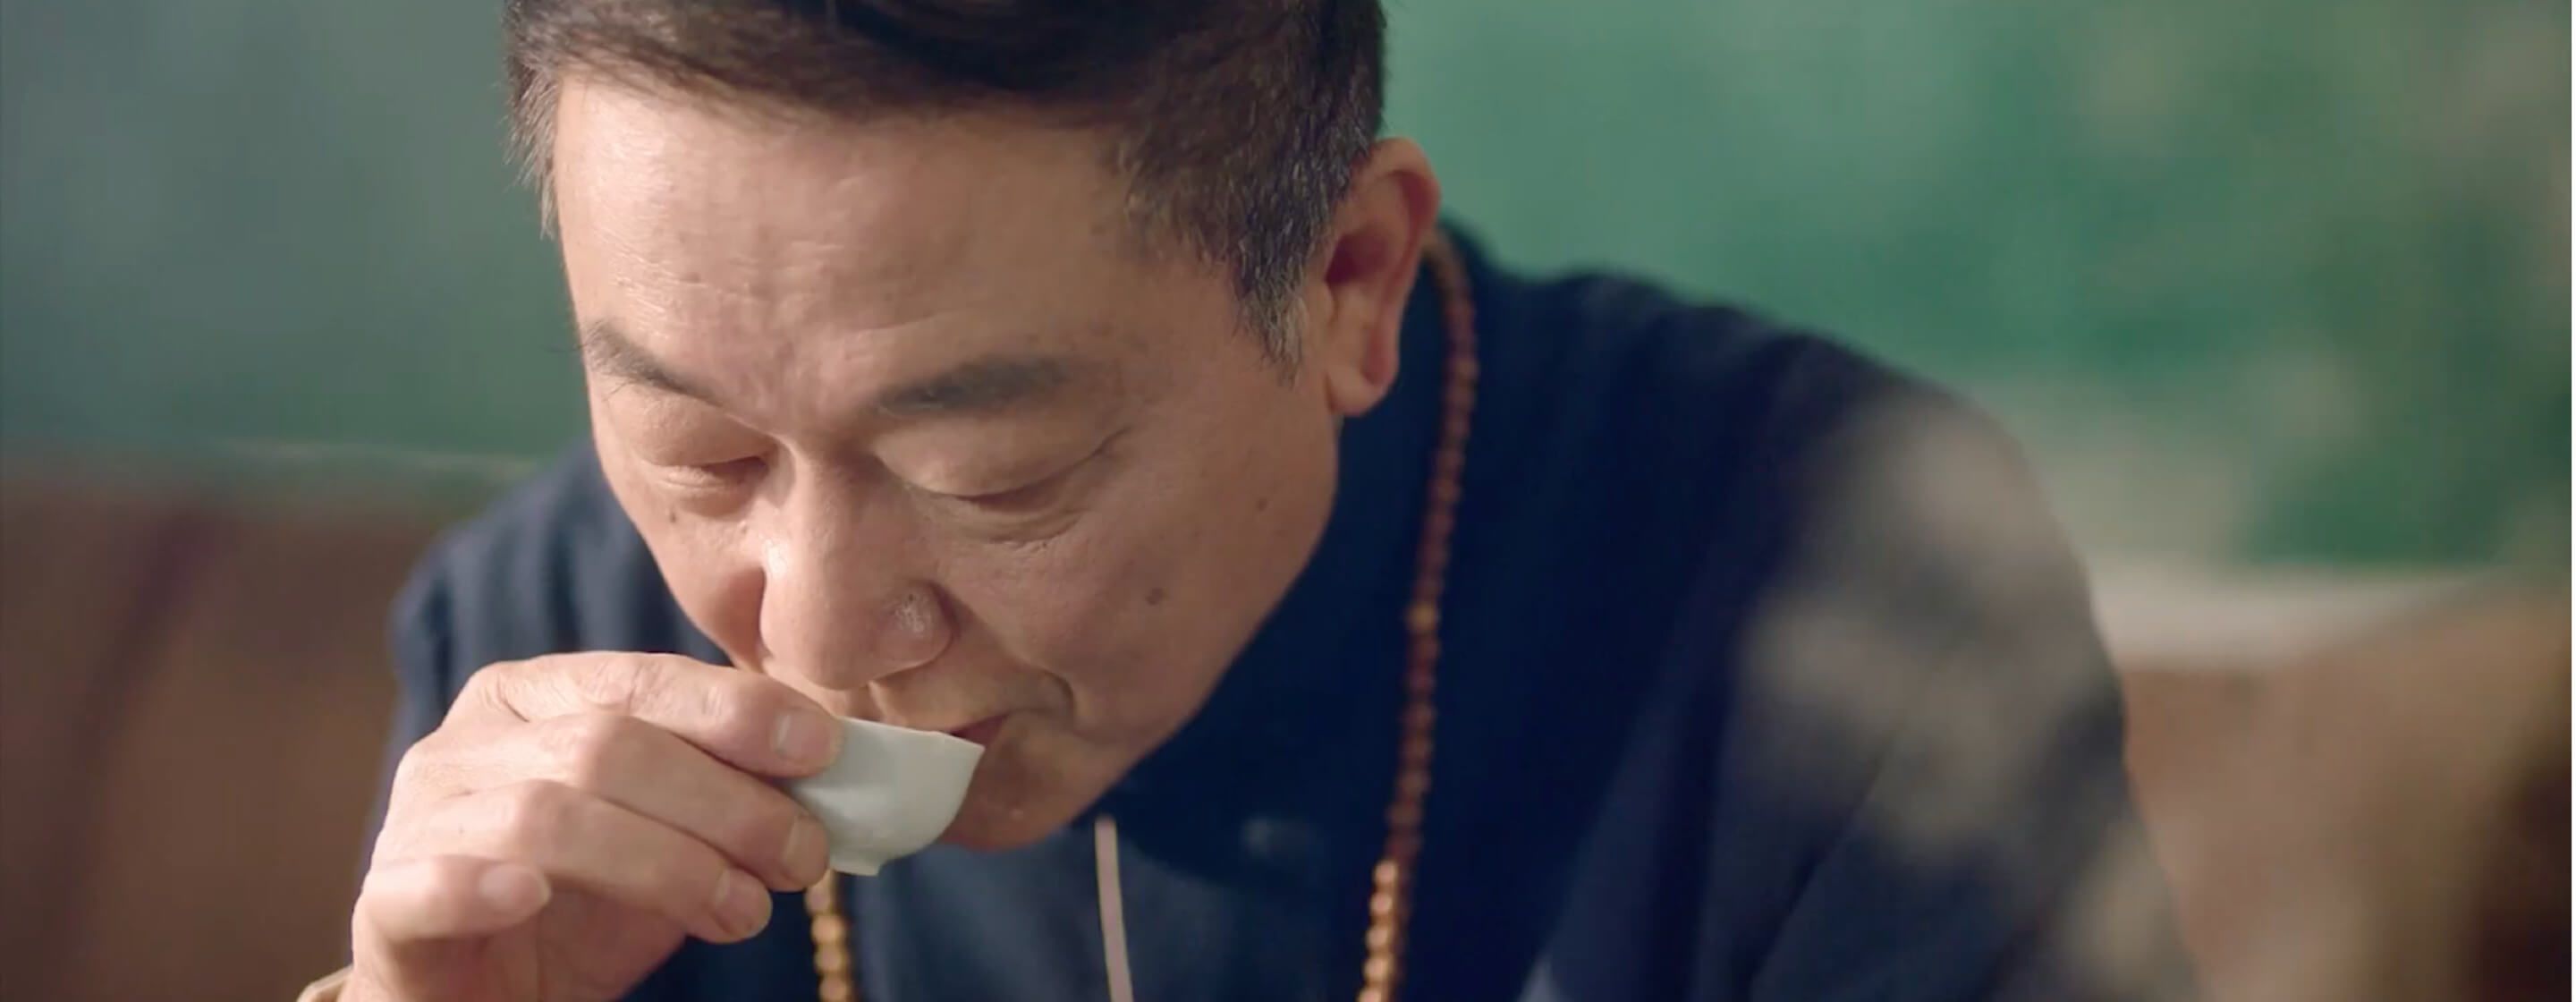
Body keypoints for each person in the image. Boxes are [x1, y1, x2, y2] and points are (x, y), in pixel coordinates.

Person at [307, 2, 2195, 999]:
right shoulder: (532, 626)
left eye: (994, 474)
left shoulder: (1841, 592)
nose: (803, 626)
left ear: (1349, 282)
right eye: (701, 453)